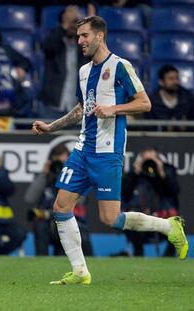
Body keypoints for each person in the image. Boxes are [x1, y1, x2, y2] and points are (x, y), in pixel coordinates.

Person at [31, 16, 189, 285]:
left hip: (108, 153)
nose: (79, 40)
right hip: (83, 150)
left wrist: (114, 109)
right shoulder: (83, 71)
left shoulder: (120, 66)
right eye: (78, 36)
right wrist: (52, 127)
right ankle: (80, 272)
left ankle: (168, 226)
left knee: (110, 218)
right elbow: (82, 108)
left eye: (84, 36)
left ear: (100, 36)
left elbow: (144, 103)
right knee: (60, 206)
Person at [24, 144, 92, 256]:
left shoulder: (75, 177)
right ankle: (41, 263)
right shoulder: (45, 177)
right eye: (57, 160)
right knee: (40, 226)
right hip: (46, 224)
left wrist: (67, 178)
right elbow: (29, 198)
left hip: (68, 221)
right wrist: (44, 175)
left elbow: (81, 200)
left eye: (64, 161)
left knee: (74, 232)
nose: (59, 165)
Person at [122, 147, 180, 257]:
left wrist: (161, 172)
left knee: (178, 227)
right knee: (131, 224)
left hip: (162, 217)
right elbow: (125, 192)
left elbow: (174, 190)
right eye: (146, 158)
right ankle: (138, 255)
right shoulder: (136, 174)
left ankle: (167, 260)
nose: (149, 163)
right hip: (141, 219)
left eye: (152, 158)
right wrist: (135, 172)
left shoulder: (166, 171)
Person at [40, 5, 87, 117]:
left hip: (76, 109)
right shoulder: (55, 42)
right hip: (52, 107)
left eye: (76, 22)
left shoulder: (83, 47)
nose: (72, 25)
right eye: (69, 21)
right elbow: (47, 47)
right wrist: (65, 25)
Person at [145, 64, 194, 131]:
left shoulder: (188, 98)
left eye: (177, 78)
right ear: (161, 82)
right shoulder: (151, 101)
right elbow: (148, 128)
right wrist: (165, 128)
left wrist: (186, 127)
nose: (175, 82)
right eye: (171, 79)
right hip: (160, 139)